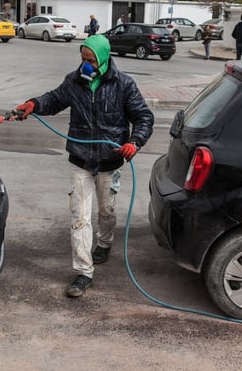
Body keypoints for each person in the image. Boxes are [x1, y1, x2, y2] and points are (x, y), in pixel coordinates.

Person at [12, 34, 153, 298]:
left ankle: (105, 243)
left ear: (103, 58)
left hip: (110, 161)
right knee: (79, 217)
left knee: (106, 211)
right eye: (83, 58)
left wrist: (135, 141)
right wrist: (33, 104)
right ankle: (83, 272)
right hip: (81, 160)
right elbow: (53, 99)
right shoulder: (74, 81)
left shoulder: (123, 84)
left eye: (91, 60)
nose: (86, 64)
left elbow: (143, 117)